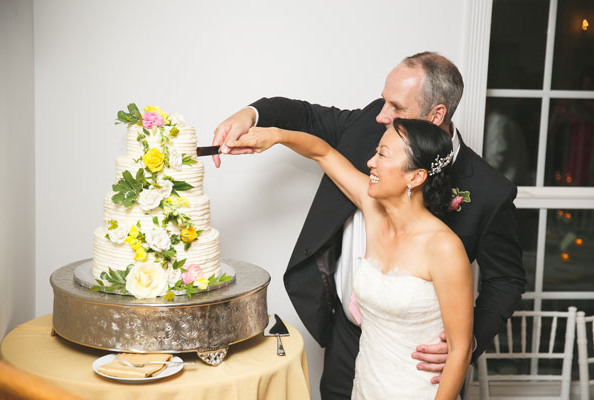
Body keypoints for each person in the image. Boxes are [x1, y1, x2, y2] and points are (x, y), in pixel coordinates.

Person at [213, 51, 526, 399]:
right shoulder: (375, 144)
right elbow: (317, 139)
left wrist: (465, 345)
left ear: (436, 115)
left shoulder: (484, 196)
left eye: (396, 107)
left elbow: (506, 280)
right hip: (353, 343)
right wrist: (259, 124)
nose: (381, 116)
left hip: (420, 369)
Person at [230, 118, 473, 399]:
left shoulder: (443, 247)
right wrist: (274, 135)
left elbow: (460, 348)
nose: (371, 162)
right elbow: (323, 152)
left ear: (415, 177)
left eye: (382, 154)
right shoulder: (374, 213)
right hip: (365, 387)